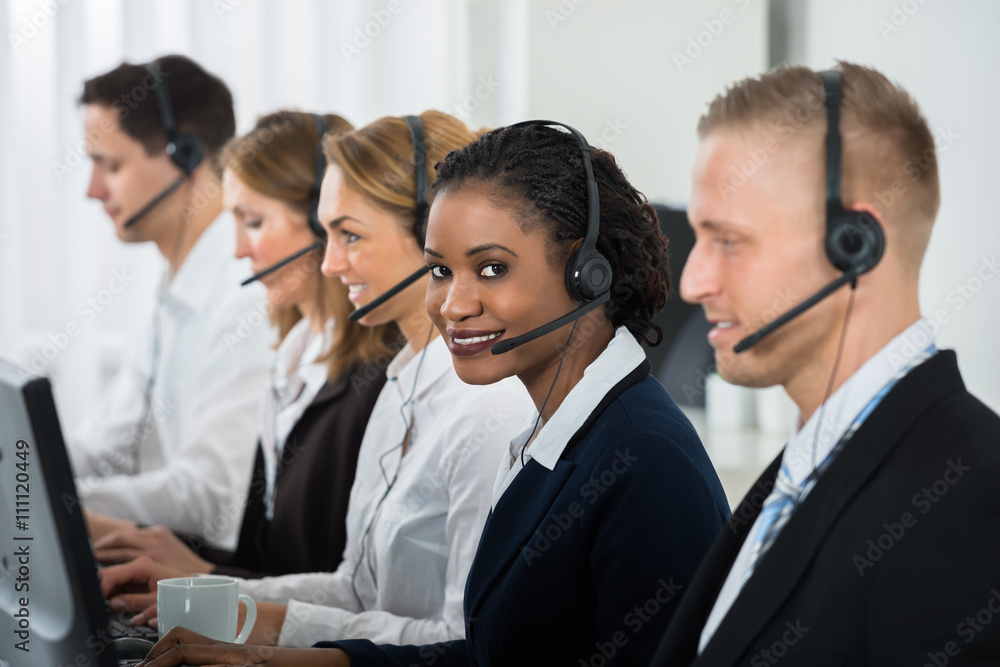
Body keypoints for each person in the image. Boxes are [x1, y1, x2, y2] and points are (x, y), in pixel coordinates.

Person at [130, 121, 731, 666]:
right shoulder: (550, 433)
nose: (452, 305)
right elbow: (487, 655)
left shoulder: (644, 460)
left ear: (586, 273)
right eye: (440, 270)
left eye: (491, 268)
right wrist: (267, 660)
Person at [99, 111, 534, 649]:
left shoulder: (486, 409)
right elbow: (353, 589)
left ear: (430, 231)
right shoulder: (400, 384)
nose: (328, 264)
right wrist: (211, 597)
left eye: (349, 235)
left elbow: (462, 644)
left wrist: (256, 626)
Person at [650, 62, 1000, 665]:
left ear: (855, 244)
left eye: (728, 240)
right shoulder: (806, 464)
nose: (692, 282)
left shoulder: (967, 501)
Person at [88, 110, 401, 581]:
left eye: (252, 222)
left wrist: (204, 576)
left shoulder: (378, 380)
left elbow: (345, 591)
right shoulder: (293, 361)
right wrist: (187, 567)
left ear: (322, 221)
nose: (238, 250)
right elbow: (270, 563)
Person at [73, 54, 272, 549]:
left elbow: (210, 498)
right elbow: (104, 446)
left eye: (110, 165)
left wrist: (47, 500)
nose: (92, 190)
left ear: (187, 155)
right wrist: (23, 476)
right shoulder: (175, 288)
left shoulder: (245, 294)